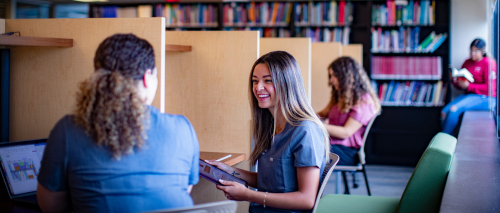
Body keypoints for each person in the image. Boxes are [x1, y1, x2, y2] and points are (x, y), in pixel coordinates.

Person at [37, 34, 200, 213]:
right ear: (147, 77)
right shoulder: (182, 128)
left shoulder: (67, 130)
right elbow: (182, 190)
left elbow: (50, 206)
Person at [206, 51, 330, 213]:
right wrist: (229, 170)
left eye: (268, 81)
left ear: (287, 84)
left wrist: (248, 195)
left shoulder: (304, 130)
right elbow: (272, 182)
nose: (258, 87)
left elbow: (306, 199)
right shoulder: (271, 126)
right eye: (255, 81)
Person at [317, 57, 381, 166]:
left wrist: (316, 124)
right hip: (335, 146)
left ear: (346, 77)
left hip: (348, 152)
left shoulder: (364, 101)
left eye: (334, 76)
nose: (331, 80)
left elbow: (346, 132)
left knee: (306, 151)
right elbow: (322, 114)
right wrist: (303, 115)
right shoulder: (341, 97)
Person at [441, 38, 497, 135]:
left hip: (486, 98)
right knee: (444, 112)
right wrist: (454, 81)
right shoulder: (467, 62)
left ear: (483, 51)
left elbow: (490, 89)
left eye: (476, 51)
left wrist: (469, 86)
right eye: (471, 50)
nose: (472, 53)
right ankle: (445, 137)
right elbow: (461, 86)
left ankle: (444, 143)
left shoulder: (489, 63)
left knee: (454, 109)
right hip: (469, 95)